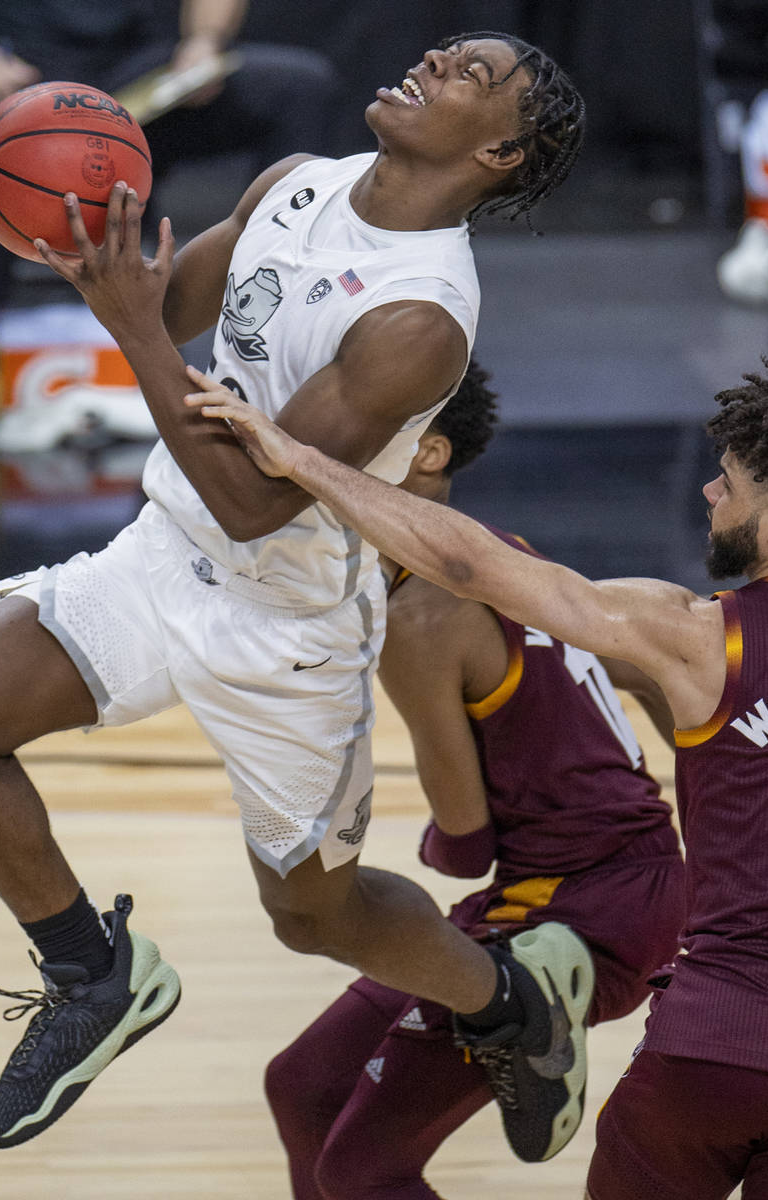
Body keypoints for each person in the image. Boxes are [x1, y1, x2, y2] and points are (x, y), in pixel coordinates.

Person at [0, 32, 589, 1159]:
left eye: (469, 73)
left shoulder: (417, 318)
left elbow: (255, 502)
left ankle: (507, 1002)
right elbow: (167, 317)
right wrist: (78, 239)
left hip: (289, 620)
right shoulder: (292, 184)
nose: (433, 58)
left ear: (499, 149)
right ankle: (92, 974)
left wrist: (122, 323)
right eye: (445, 47)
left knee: (315, 917)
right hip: (165, 551)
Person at [188, 354, 768, 1199]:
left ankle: (518, 1001)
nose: (711, 493)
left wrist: (295, 456)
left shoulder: (698, 634)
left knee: (357, 1153)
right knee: (309, 1093)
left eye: (730, 483)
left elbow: (469, 567)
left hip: (712, 1036)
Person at [263, 362, 686, 1198]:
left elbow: (463, 843)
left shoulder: (418, 616)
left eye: (363, 422)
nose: (332, 436)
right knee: (303, 1086)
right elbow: (642, 675)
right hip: (619, 879)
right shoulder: (506, 555)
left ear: (426, 453)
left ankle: (537, 1010)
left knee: (362, 1166)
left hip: (569, 906)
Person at [0, 0, 339, 456]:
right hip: (10, 68)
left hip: (135, 76)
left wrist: (204, 42)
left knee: (301, 88)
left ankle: (273, 340)